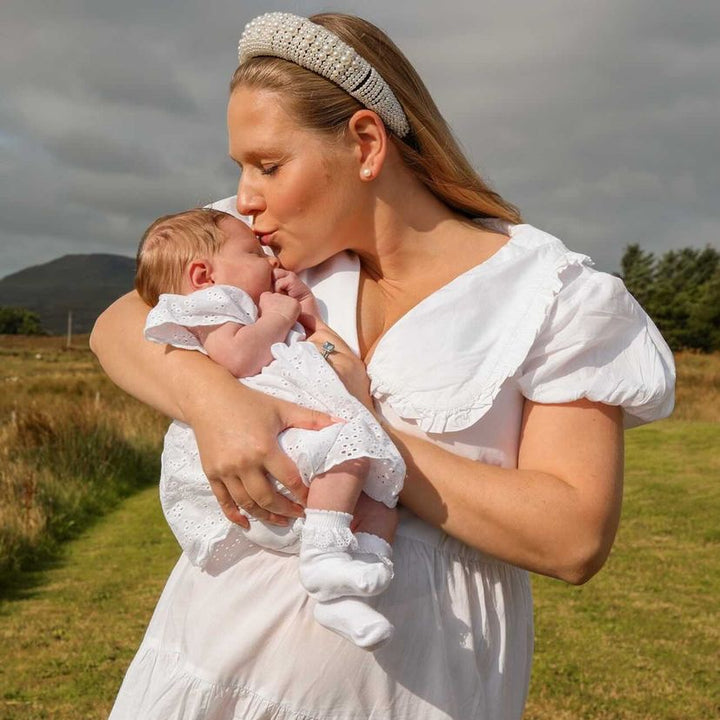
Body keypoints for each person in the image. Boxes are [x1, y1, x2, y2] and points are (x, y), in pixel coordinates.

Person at [92, 11, 675, 720]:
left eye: (269, 165)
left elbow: (573, 536)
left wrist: (365, 435)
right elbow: (118, 326)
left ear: (366, 144)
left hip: (411, 694)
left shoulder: (555, 297)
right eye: (241, 168)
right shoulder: (261, 250)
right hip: (206, 666)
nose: (246, 196)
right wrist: (216, 402)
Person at [135, 206, 404, 649]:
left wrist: (305, 314)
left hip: (289, 456)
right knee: (351, 450)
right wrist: (280, 318)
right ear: (203, 274)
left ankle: (345, 595)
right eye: (254, 252)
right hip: (266, 454)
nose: (271, 260)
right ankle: (324, 556)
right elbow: (239, 357)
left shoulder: (250, 308)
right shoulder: (216, 306)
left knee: (381, 507)